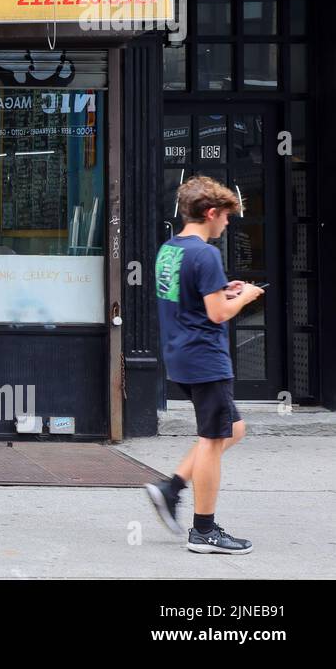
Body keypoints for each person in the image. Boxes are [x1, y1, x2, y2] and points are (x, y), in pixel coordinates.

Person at [145, 176, 264, 554]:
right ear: (211, 213)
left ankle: (172, 488)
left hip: (180, 354)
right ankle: (204, 531)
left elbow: (189, 297)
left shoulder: (169, 250)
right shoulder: (206, 254)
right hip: (206, 359)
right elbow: (217, 314)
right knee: (213, 440)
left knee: (235, 429)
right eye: (226, 217)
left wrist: (221, 287)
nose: (228, 224)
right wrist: (245, 296)